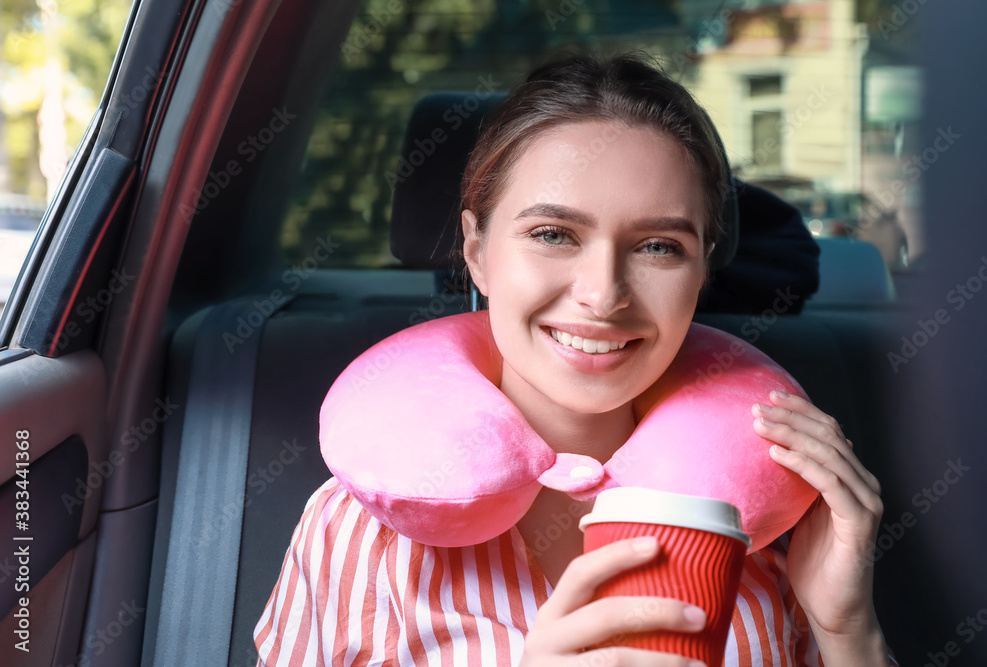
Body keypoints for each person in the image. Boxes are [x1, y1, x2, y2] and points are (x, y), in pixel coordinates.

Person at [254, 51, 895, 666]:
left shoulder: (775, 512)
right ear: (477, 250)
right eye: (553, 234)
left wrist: (848, 633)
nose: (602, 294)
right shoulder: (365, 528)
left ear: (702, 269)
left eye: (658, 247)